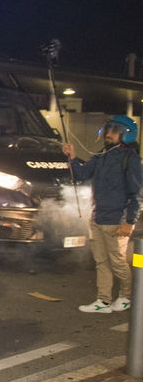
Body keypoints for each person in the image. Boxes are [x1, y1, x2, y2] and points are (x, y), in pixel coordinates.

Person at [63, 115, 142, 313]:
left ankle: (126, 296)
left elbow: (137, 192)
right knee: (101, 262)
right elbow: (81, 174)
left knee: (117, 262)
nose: (108, 133)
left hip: (116, 220)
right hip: (98, 217)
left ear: (126, 134)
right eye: (108, 129)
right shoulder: (100, 156)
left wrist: (130, 221)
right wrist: (72, 157)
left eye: (114, 130)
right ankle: (104, 300)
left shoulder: (130, 158)